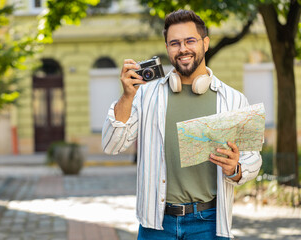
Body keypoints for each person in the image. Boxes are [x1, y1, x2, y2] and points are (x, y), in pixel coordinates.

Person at [102, 9, 262, 240]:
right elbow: (111, 146)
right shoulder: (146, 95)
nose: (183, 49)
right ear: (167, 48)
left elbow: (253, 158)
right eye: (174, 43)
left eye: (190, 41)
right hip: (155, 224)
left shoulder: (233, 99)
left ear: (205, 43)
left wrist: (236, 169)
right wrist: (127, 97)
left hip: (209, 222)